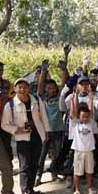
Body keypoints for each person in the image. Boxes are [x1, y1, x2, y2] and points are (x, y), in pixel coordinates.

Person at [2, 78, 50, 194]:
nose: (22, 90)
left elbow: (44, 117)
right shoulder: (10, 105)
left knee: (35, 163)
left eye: (25, 87)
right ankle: (25, 192)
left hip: (37, 135)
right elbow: (4, 124)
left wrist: (46, 132)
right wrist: (17, 130)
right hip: (22, 138)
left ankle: (31, 189)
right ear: (15, 89)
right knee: (25, 164)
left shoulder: (37, 101)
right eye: (20, 87)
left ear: (28, 88)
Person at [36, 58, 69, 186]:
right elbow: (40, 87)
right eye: (48, 88)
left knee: (57, 154)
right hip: (46, 131)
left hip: (59, 130)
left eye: (53, 87)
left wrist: (64, 69)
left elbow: (64, 82)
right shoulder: (43, 98)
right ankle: (38, 176)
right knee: (42, 154)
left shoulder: (59, 96)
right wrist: (44, 70)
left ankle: (54, 172)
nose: (51, 89)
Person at [68, 95, 98, 194]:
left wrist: (91, 98)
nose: (85, 118)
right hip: (79, 151)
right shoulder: (75, 124)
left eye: (86, 116)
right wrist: (72, 100)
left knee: (90, 171)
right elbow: (72, 113)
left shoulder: (91, 123)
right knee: (77, 171)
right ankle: (76, 189)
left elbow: (91, 111)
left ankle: (90, 187)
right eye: (82, 117)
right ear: (78, 116)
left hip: (89, 150)